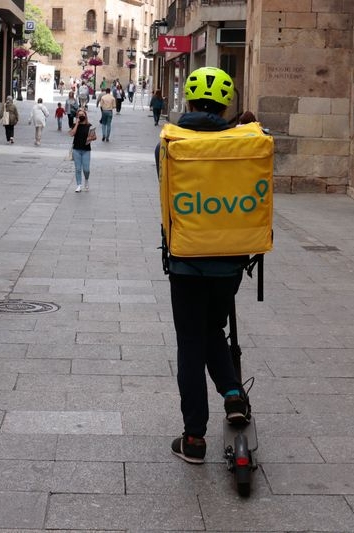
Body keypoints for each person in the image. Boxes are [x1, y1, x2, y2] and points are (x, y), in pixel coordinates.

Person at [158, 67, 252, 465]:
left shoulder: (172, 142)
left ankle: (194, 437)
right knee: (213, 327)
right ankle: (232, 393)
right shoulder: (247, 142)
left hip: (186, 263)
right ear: (226, 104)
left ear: (190, 102)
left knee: (191, 345)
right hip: (230, 263)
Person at [68, 108, 97, 192]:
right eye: (79, 115)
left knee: (86, 169)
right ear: (77, 116)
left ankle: (86, 180)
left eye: (82, 115)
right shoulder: (75, 125)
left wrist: (91, 137)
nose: (81, 116)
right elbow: (71, 134)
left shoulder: (89, 126)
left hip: (86, 150)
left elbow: (95, 137)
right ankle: (79, 185)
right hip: (76, 149)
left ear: (85, 115)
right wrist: (76, 124)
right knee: (78, 169)